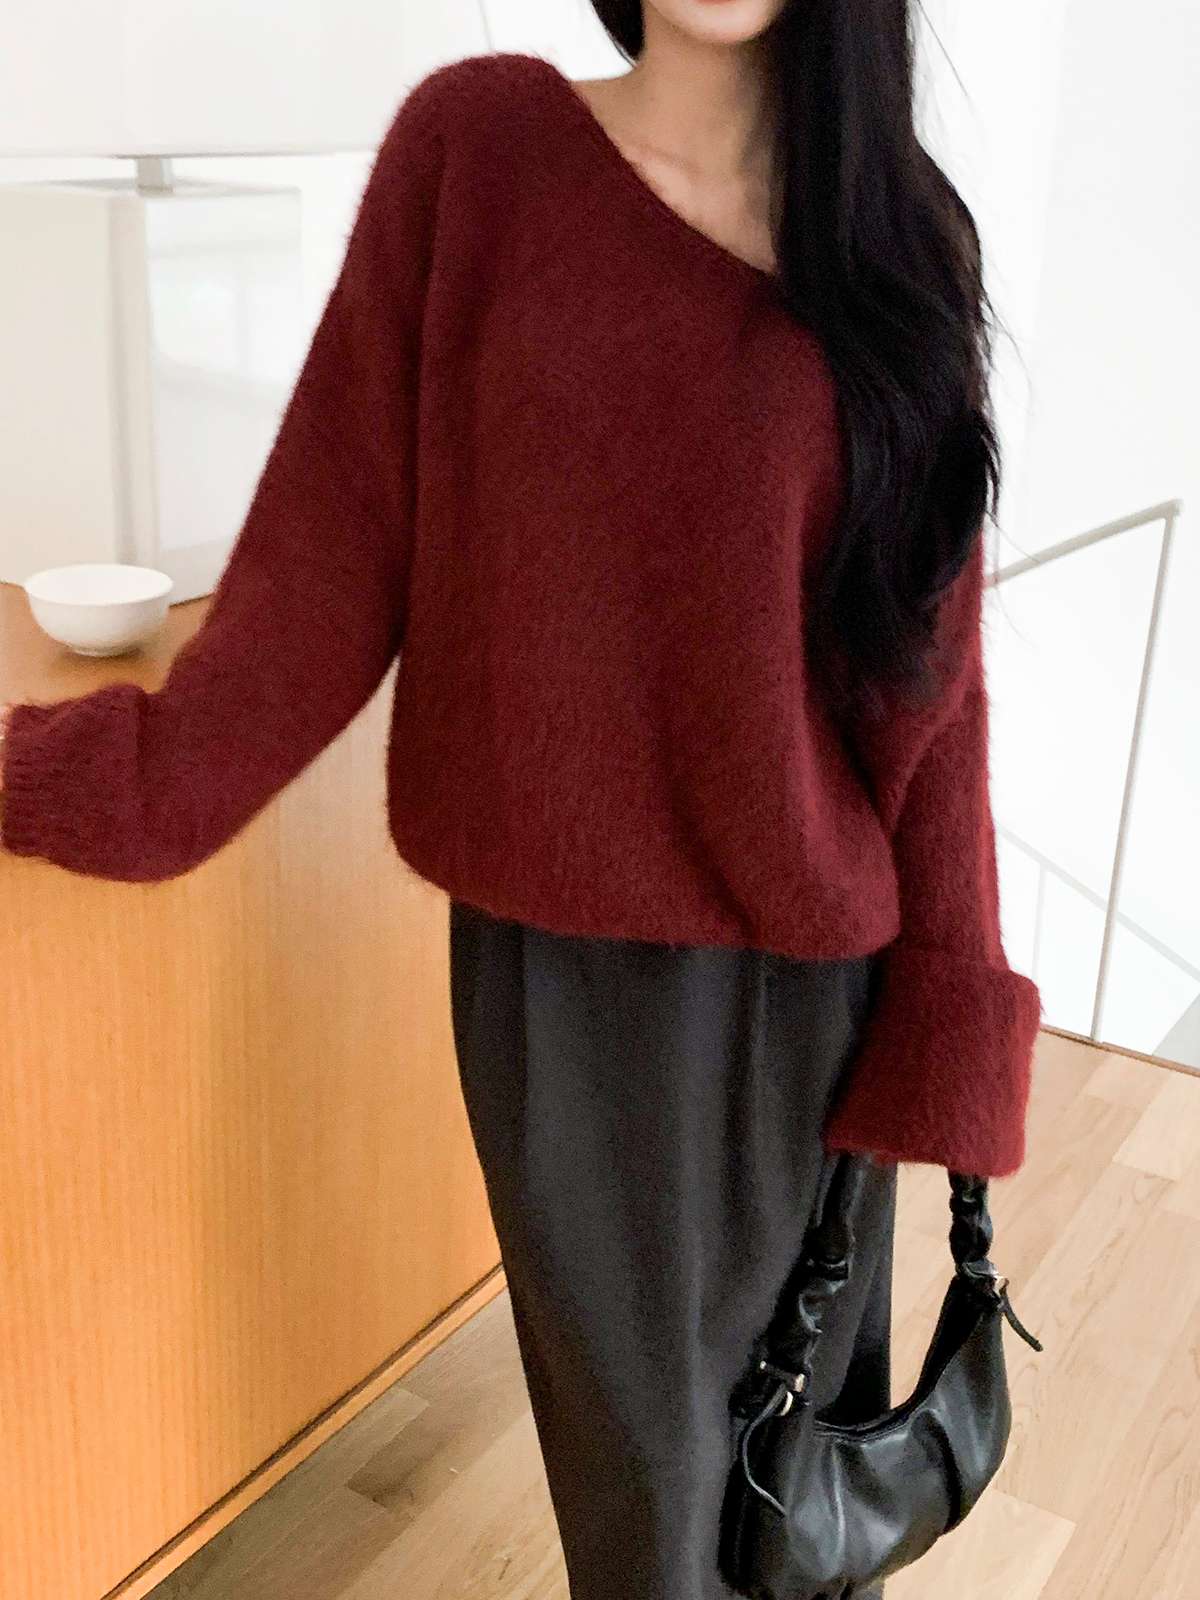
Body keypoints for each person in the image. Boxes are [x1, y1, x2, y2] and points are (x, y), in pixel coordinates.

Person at [0, 4, 1043, 1597]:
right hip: (567, 999)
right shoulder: (482, 153)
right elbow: (322, 563)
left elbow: (928, 682)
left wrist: (950, 1000)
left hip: (813, 1001)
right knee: (656, 1526)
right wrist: (116, 778)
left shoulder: (897, 233)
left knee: (789, 1513)